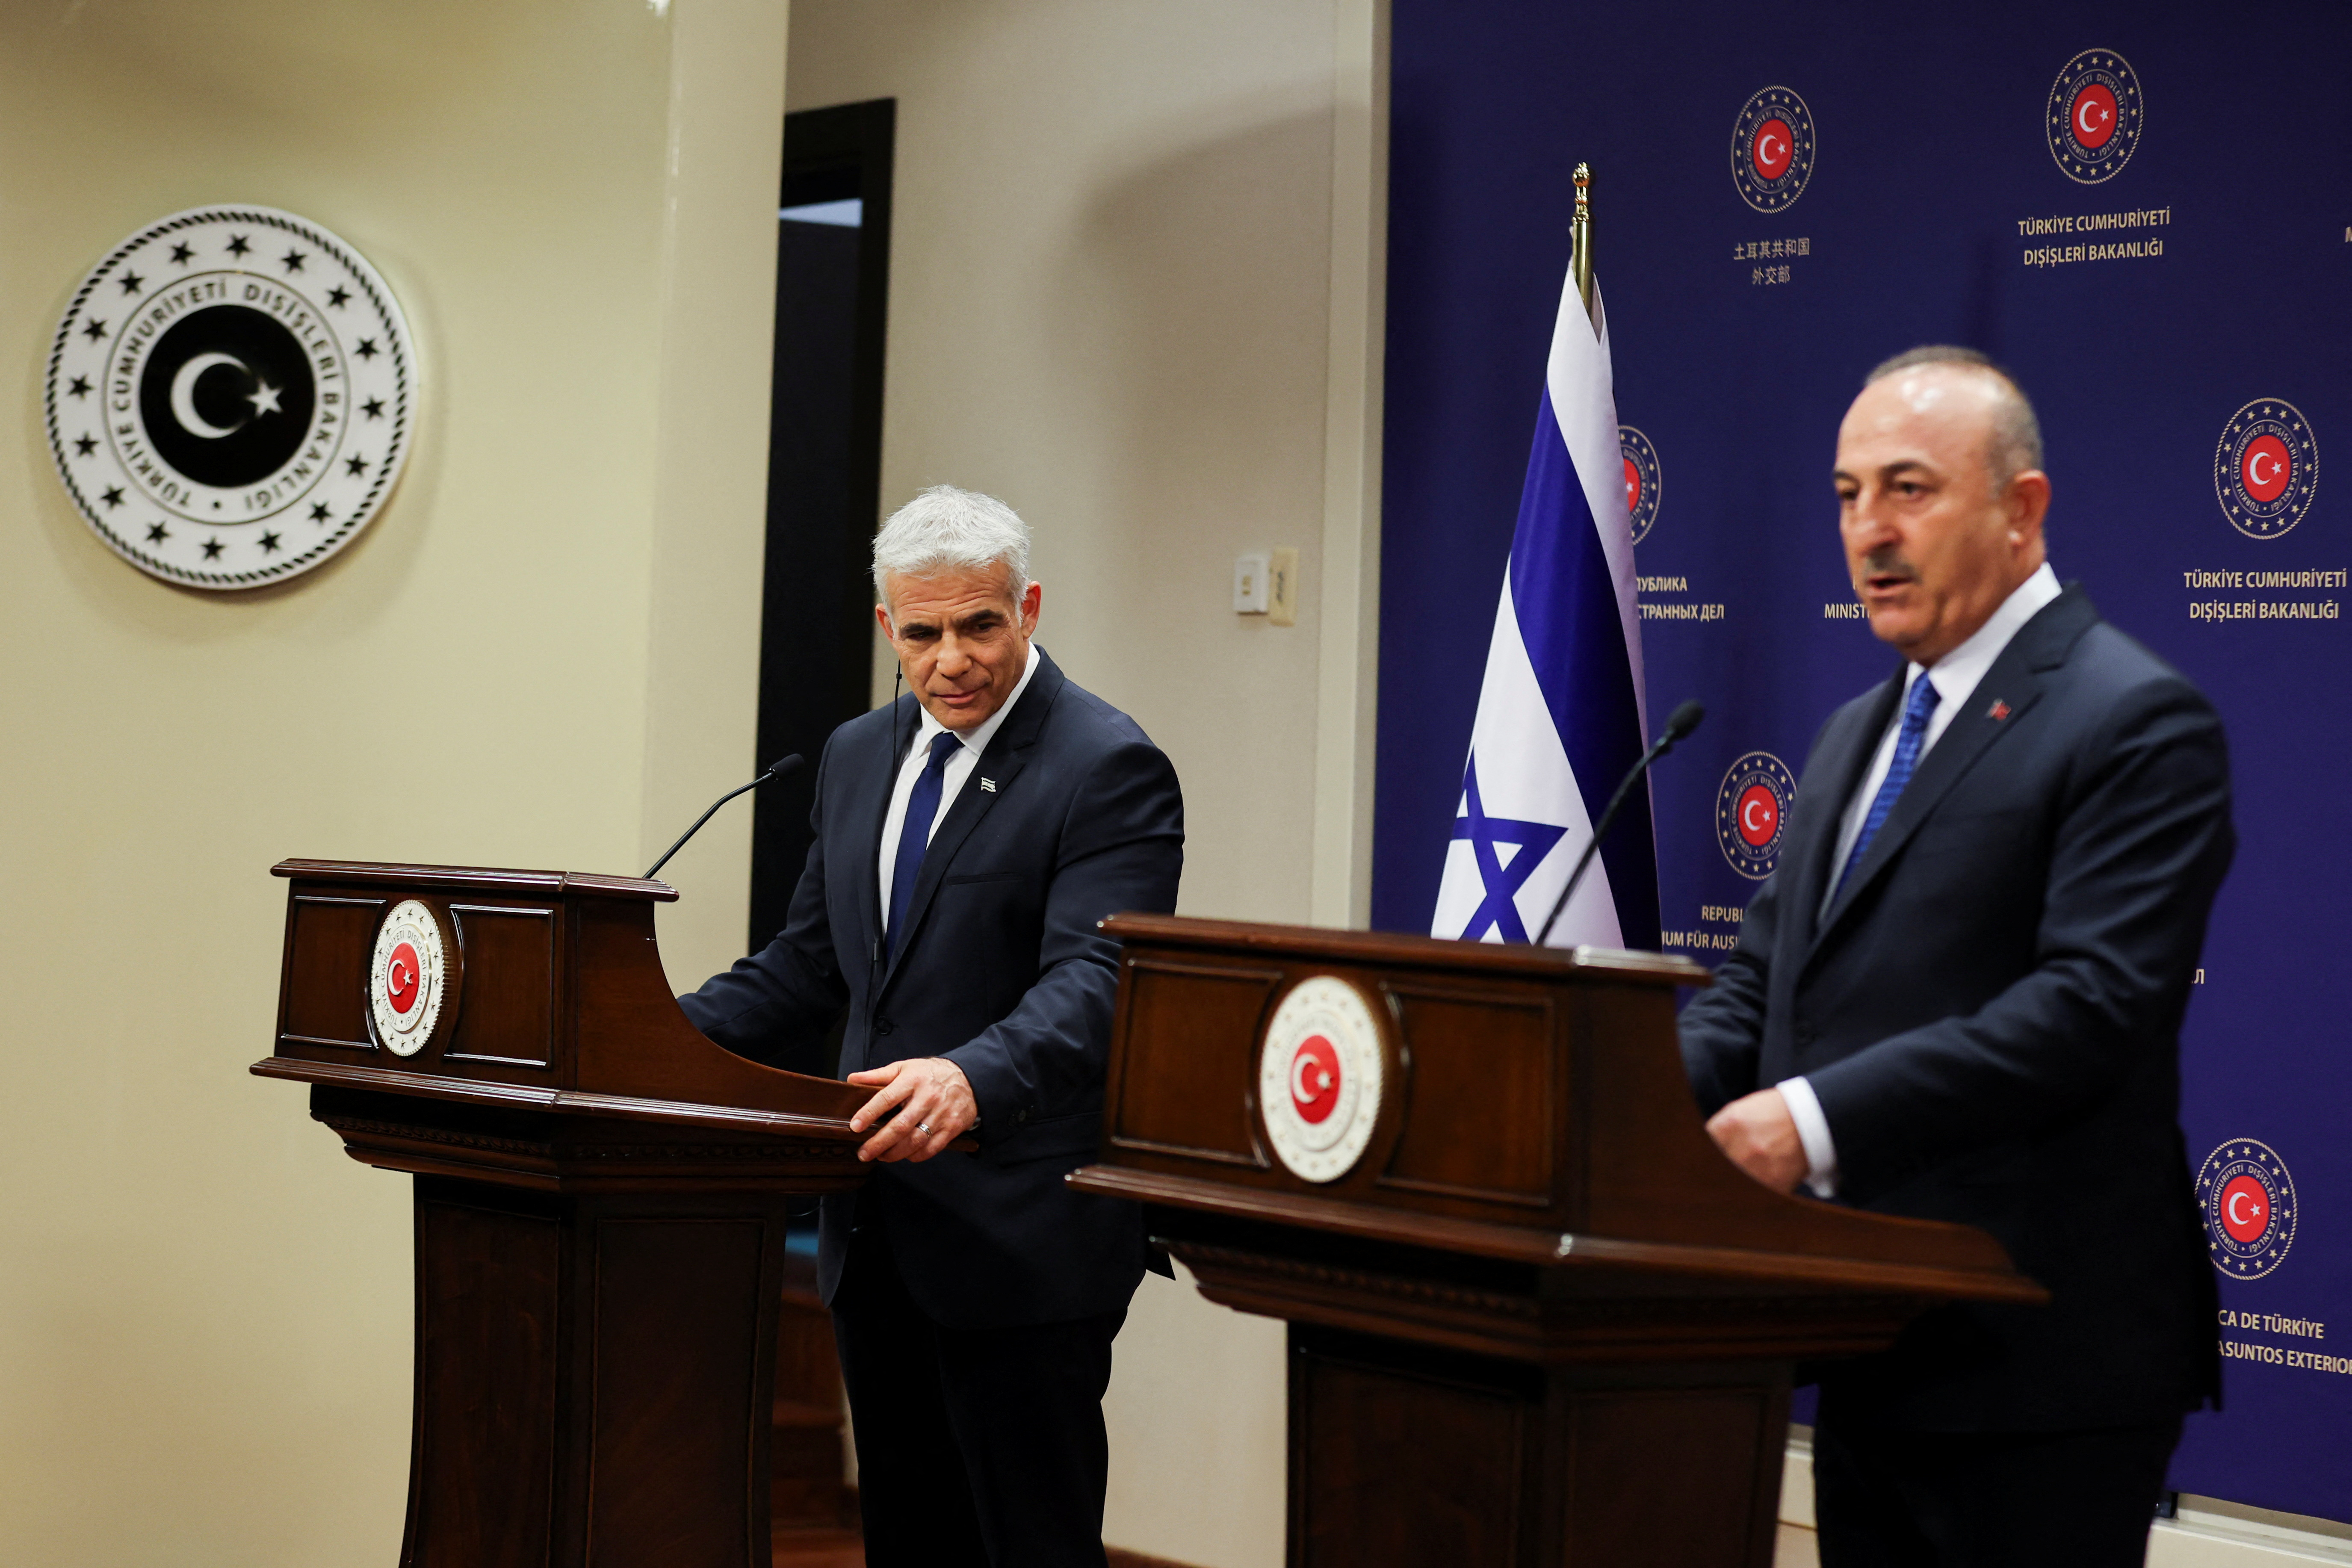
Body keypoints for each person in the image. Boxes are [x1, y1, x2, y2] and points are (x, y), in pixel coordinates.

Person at [1679, 347, 2233, 1566]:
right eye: (1846, 494)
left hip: (2036, 1367)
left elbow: (2087, 1010)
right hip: (1867, 1336)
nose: (1867, 530)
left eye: (1908, 488)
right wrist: (1616, 1103)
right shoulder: (1857, 731)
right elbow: (1762, 987)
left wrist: (1804, 1123)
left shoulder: (2133, 719)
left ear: (2020, 508)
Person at [678, 485, 1185, 1568]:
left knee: (1027, 1548)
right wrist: (645, 1031)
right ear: (887, 628)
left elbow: (1097, 979)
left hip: (1022, 1236)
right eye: (922, 633)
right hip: (876, 1231)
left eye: (978, 625)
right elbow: (809, 964)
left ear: (1027, 607)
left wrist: (971, 1077)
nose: (951, 660)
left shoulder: (1105, 763)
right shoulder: (858, 753)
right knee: (909, 1545)